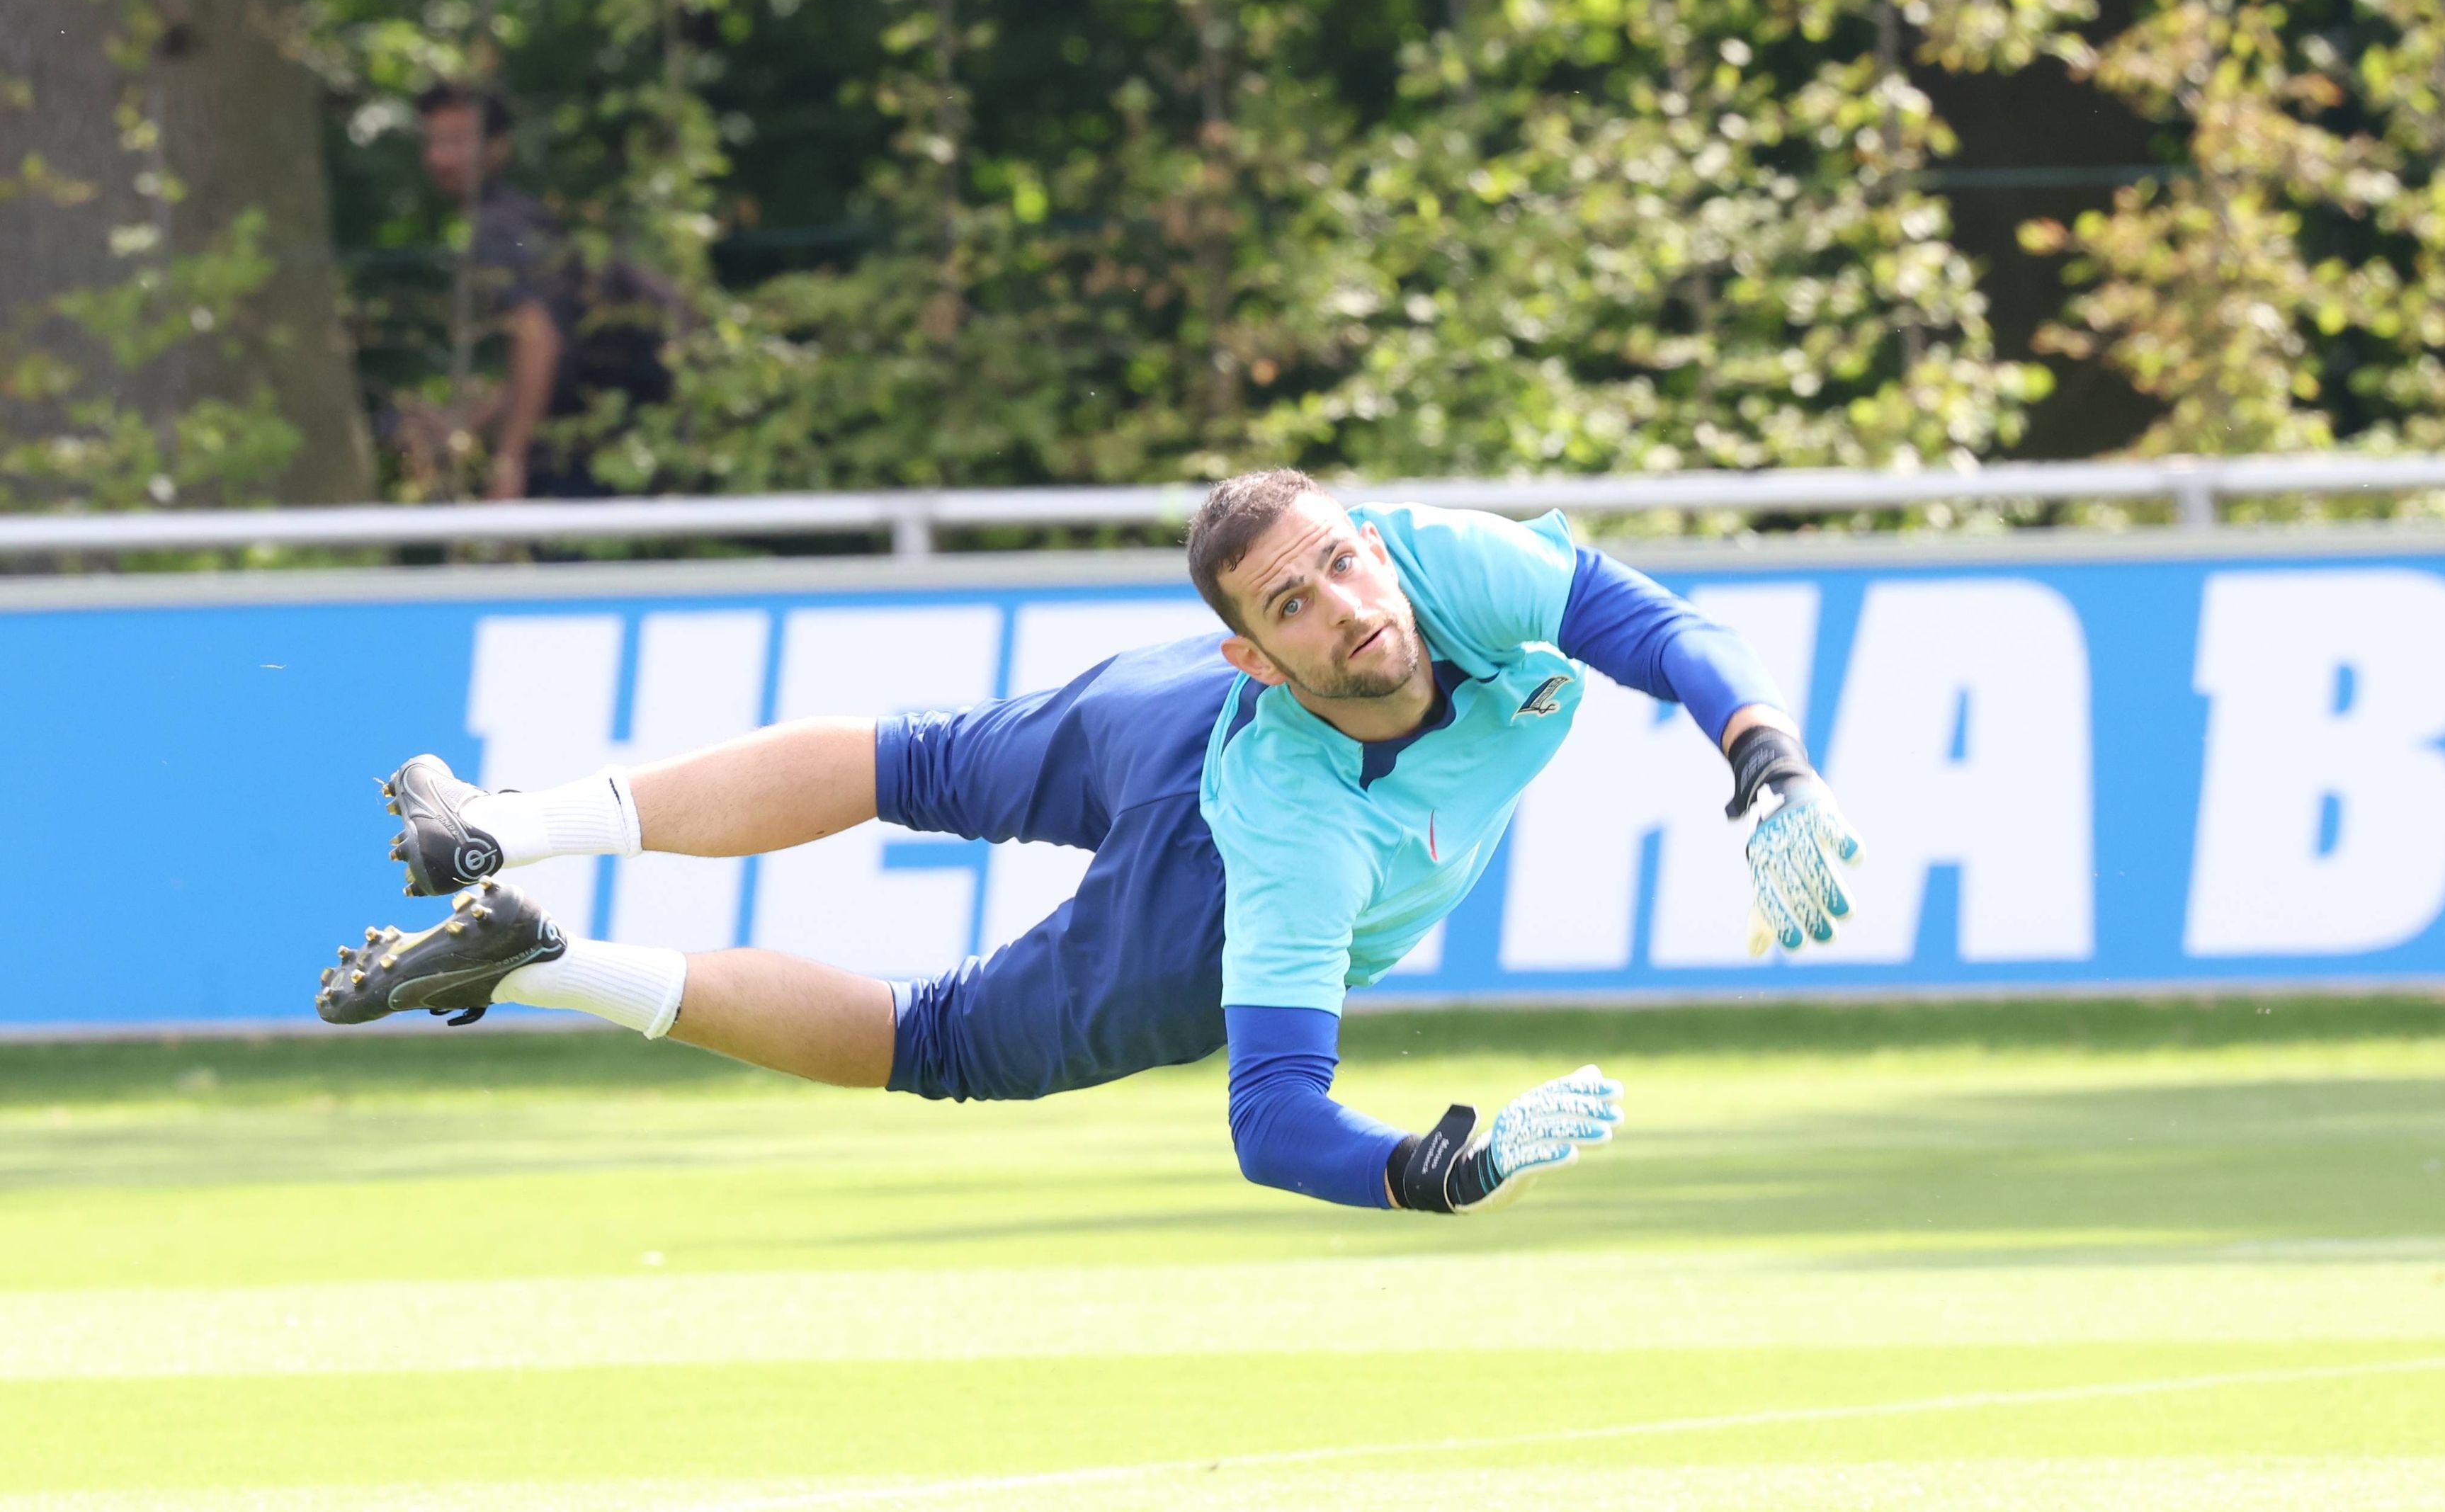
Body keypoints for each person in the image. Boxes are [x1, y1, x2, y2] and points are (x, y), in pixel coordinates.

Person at [317, 470, 1863, 1212]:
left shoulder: (1454, 565)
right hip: (1219, 840)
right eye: (1294, 604)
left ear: (1380, 541)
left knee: (912, 759)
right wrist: (1426, 1167)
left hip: (1170, 703)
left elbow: (1661, 630)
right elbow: (1273, 1117)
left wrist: (1768, 766)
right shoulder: (1293, 847)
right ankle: (552, 949)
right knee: (937, 1039)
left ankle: (506, 827)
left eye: (1340, 565)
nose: (1345, 606)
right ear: (1257, 651)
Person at [415, 84, 677, 501]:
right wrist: (469, 423)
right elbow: (542, 346)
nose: (437, 158)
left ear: (498, 148)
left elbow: (539, 340)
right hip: (635, 433)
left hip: (598, 448)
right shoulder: (525, 219)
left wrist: (509, 463)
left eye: (456, 142)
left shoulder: (502, 229)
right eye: (432, 142)